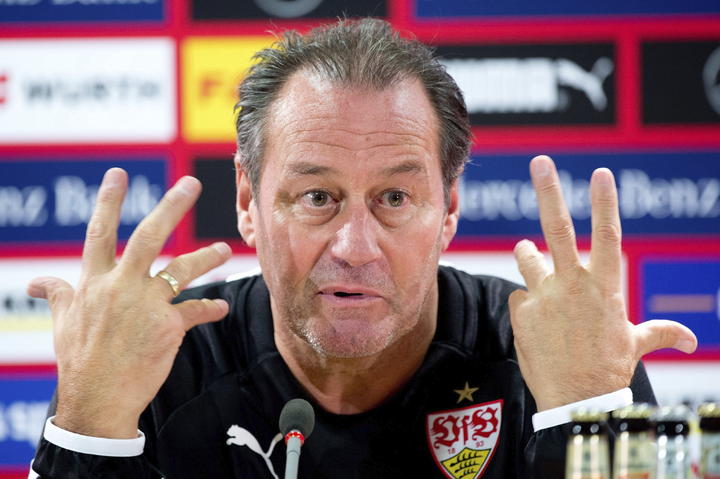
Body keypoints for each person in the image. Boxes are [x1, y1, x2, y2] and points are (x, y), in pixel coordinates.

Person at [27, 18, 696, 478]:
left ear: (449, 209)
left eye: (394, 198)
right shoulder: (152, 360)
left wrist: (586, 416)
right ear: (247, 203)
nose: (354, 246)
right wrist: (89, 421)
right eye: (317, 196)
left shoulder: (562, 357)